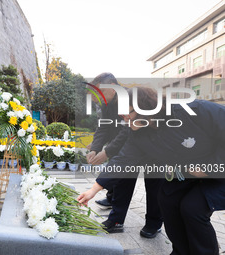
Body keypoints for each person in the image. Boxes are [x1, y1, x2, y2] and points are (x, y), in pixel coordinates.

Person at [78, 86, 225, 255]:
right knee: (167, 199)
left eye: (128, 114)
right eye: (121, 115)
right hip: (189, 174)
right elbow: (123, 160)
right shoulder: (139, 133)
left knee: (192, 208)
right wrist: (94, 189)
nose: (125, 119)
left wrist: (211, 167)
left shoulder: (192, 110)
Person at [85, 73, 163, 237]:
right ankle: (116, 220)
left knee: (154, 184)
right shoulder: (106, 104)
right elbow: (104, 127)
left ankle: (153, 223)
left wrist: (107, 151)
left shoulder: (135, 98)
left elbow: (126, 129)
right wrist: (96, 148)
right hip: (128, 147)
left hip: (152, 148)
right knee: (122, 182)